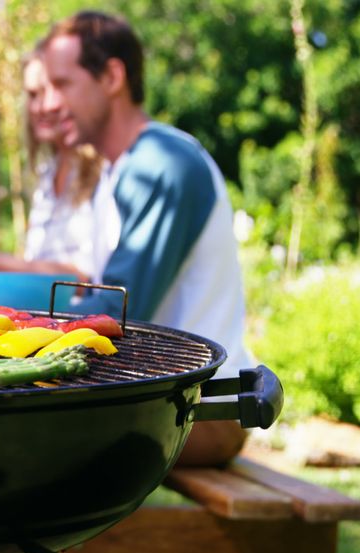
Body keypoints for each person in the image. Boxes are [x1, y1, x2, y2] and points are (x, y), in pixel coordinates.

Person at [38, 11, 254, 465]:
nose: (50, 104)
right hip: (162, 402)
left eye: (63, 84)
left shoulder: (162, 164)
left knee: (16, 437)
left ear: (112, 76)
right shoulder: (118, 173)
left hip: (203, 409)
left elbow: (112, 314)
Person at [0, 52, 104, 284]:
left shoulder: (106, 171)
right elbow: (38, 266)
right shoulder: (47, 174)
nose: (40, 106)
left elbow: (90, 280)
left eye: (49, 91)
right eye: (33, 95)